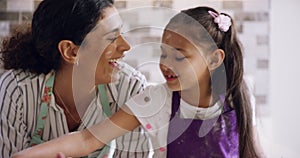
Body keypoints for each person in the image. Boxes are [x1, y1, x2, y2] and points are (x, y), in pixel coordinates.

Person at [12, 6, 264, 158]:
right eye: (163, 53)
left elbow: (253, 151)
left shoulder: (239, 95)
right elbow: (87, 140)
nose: (166, 63)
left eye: (179, 56)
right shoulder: (157, 100)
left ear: (213, 59)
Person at [0, 0, 152, 157]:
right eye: (112, 37)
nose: (126, 46)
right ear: (71, 51)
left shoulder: (131, 89)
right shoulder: (17, 91)